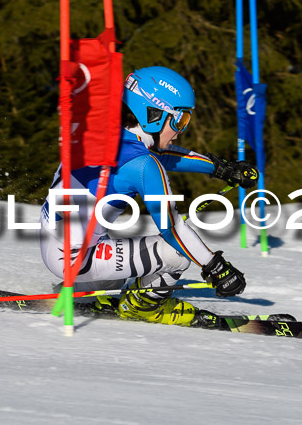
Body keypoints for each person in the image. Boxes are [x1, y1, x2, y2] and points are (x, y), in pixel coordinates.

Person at [40, 66, 258, 327]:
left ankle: (95, 288)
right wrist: (217, 268)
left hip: (53, 241)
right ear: (153, 114)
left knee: (133, 264)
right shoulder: (143, 165)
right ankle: (142, 307)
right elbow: (173, 230)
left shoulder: (101, 133)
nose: (180, 130)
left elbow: (165, 156)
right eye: (180, 120)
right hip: (76, 260)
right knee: (178, 255)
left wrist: (221, 168)